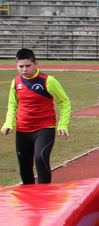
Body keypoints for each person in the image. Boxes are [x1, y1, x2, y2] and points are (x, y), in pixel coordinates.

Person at [2, 48, 71, 184]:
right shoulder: (16, 82)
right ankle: (29, 197)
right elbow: (12, 105)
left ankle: (44, 194)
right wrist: (8, 123)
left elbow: (64, 102)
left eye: (28, 66)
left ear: (35, 63)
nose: (24, 70)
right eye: (21, 66)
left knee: (40, 158)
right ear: (16, 66)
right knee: (24, 165)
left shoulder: (48, 81)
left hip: (44, 128)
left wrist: (63, 125)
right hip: (23, 129)